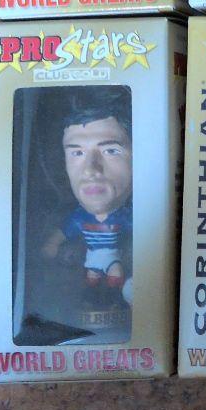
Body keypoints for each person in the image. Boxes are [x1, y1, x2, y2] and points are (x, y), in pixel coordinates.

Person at [42, 92, 133, 300]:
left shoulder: (128, 217)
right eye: (77, 153)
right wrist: (51, 245)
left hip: (118, 264)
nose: (91, 170)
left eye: (111, 151)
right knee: (93, 283)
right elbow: (62, 234)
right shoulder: (78, 218)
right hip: (91, 262)